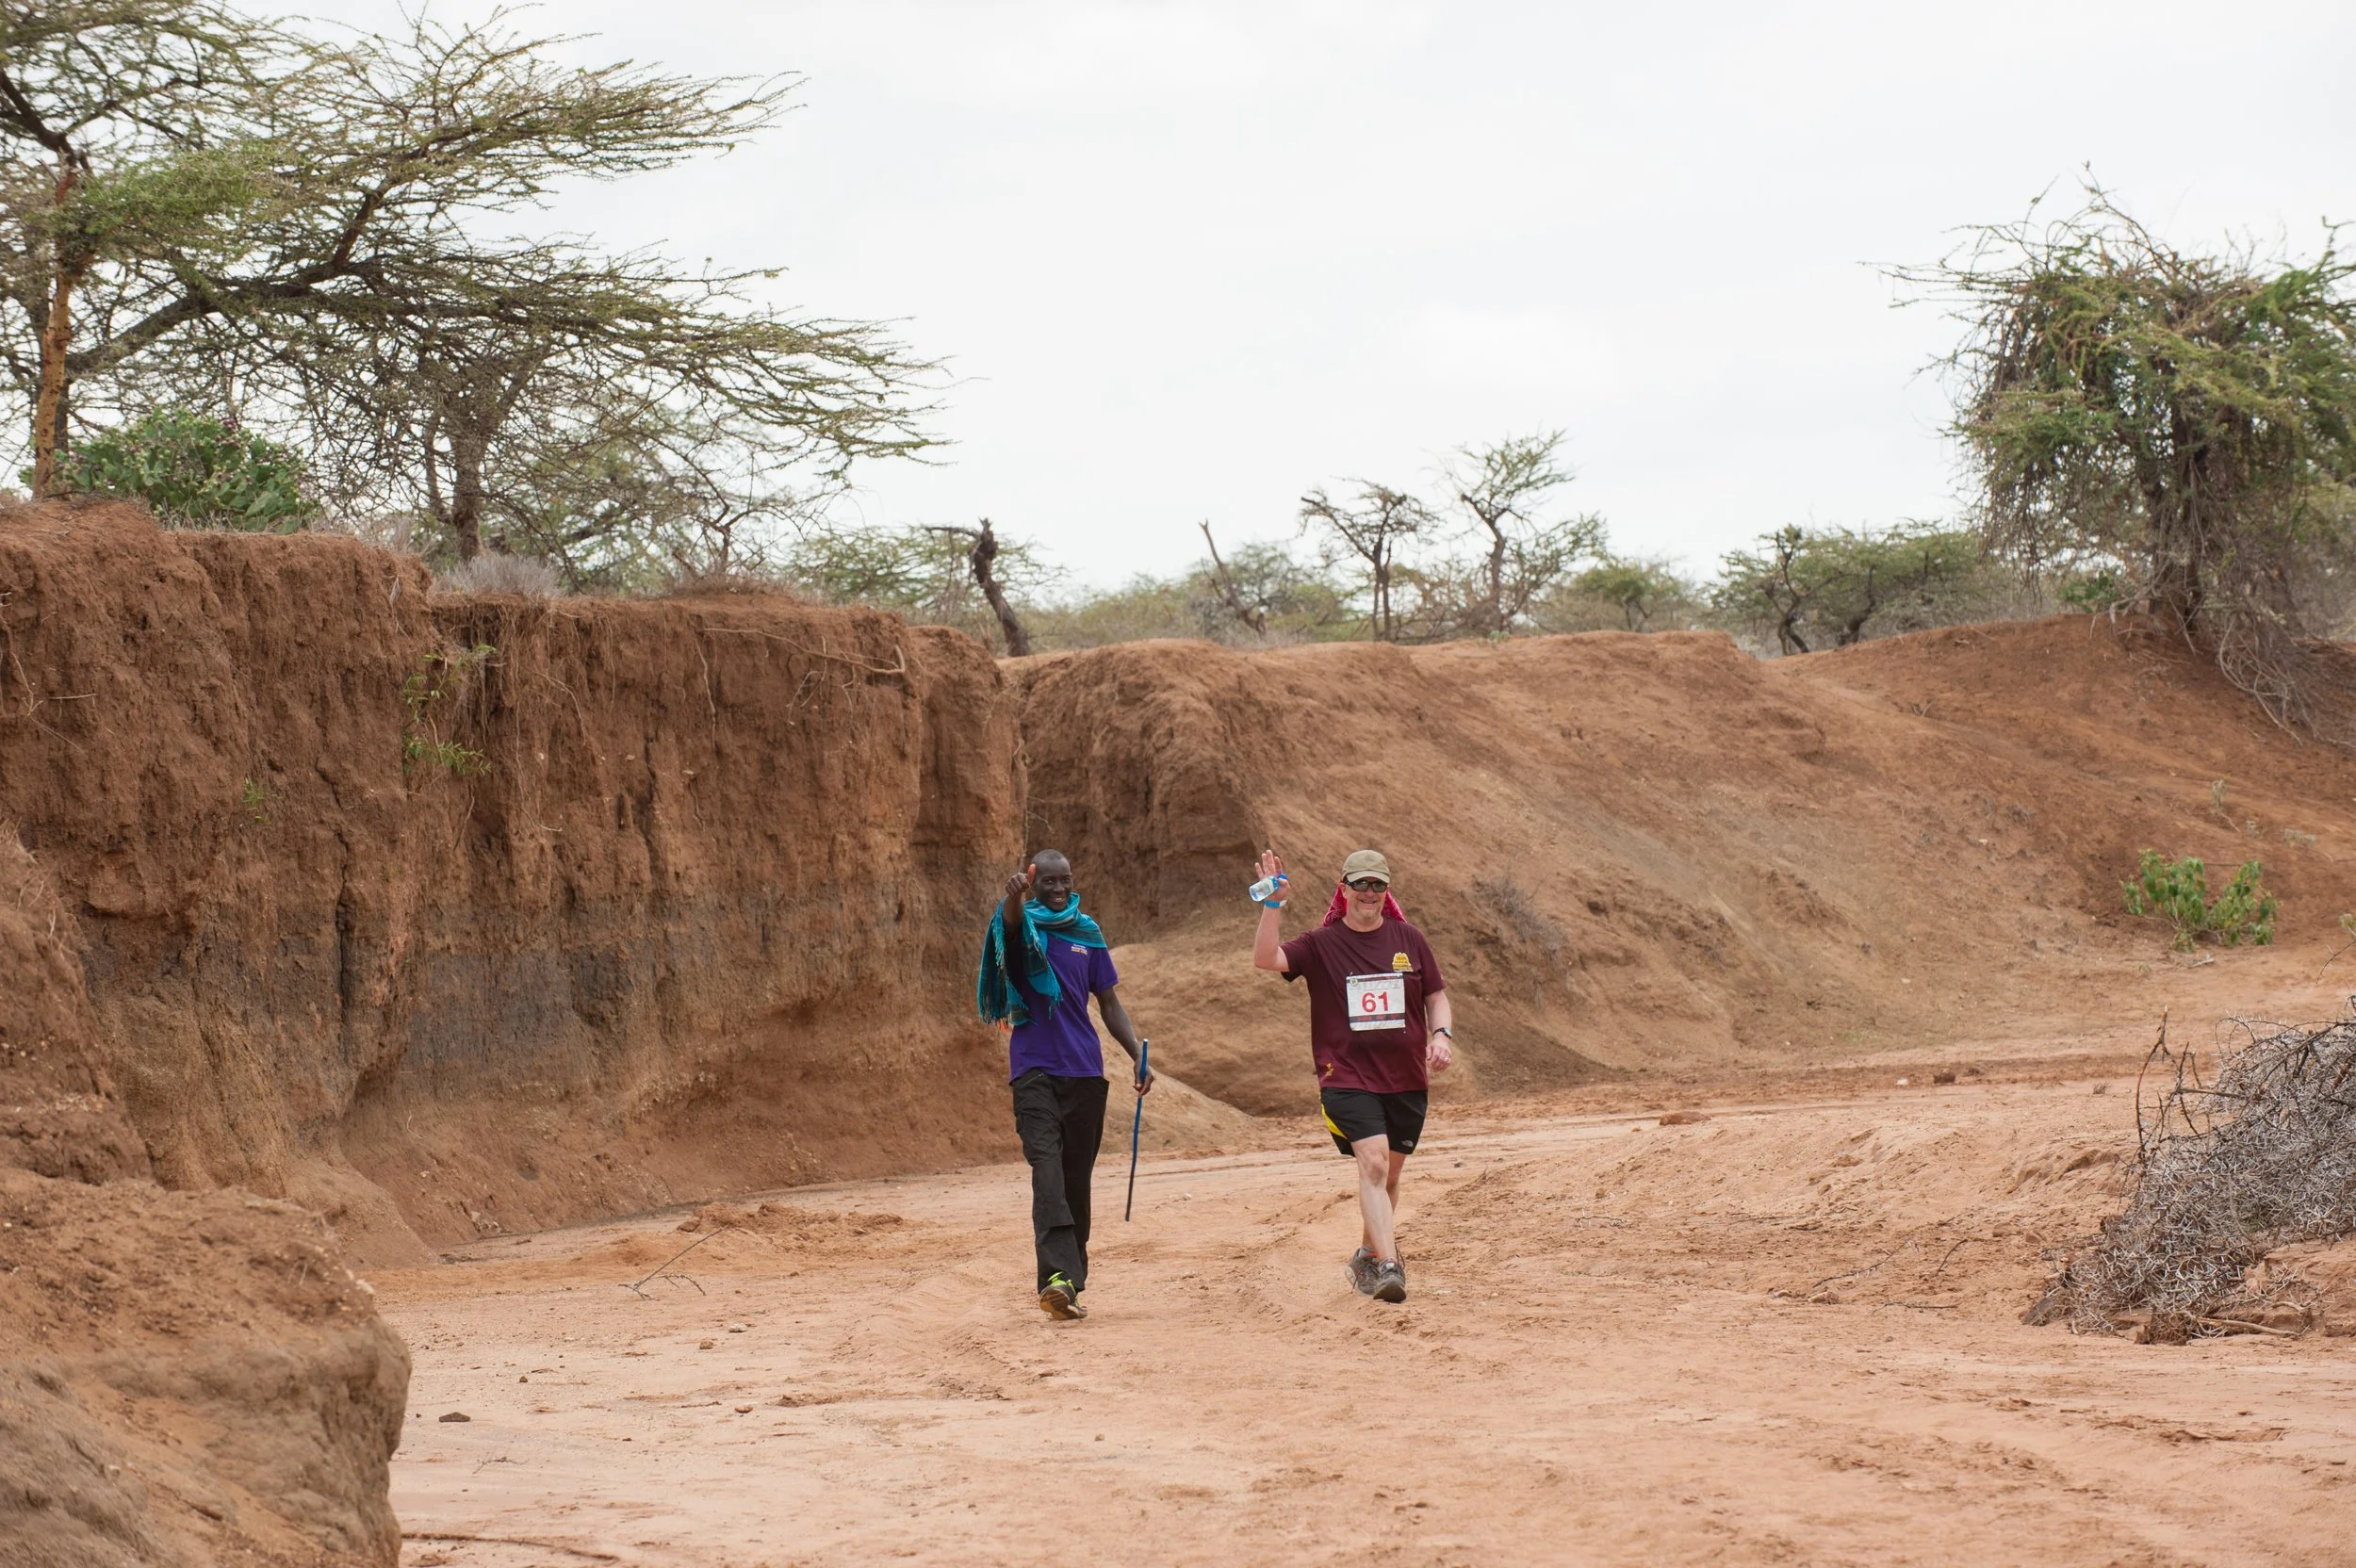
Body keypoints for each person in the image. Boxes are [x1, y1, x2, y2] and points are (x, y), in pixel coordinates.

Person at [1250, 846, 1451, 1304]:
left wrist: (1441, 1035)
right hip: (1345, 1076)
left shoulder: (1409, 939)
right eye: (1360, 883)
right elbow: (1266, 958)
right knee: (1374, 1164)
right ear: (1343, 889)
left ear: (1387, 891)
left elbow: (1436, 995)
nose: (1369, 892)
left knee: (1389, 1176)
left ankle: (1367, 1254)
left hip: (1406, 1080)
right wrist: (1273, 905)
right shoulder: (1320, 944)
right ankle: (1389, 1265)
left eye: (1378, 884)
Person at [978, 849, 1152, 1321]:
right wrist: (1012, 898)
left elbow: (1109, 1003)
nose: (1057, 890)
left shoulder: (1087, 933)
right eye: (1047, 882)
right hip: (1033, 1071)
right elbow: (1009, 925)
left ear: (1073, 882)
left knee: (1076, 1181)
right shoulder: (1022, 926)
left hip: (1085, 1073)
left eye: (1065, 881)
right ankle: (1056, 1276)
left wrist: (1136, 1055)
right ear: (1034, 885)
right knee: (1047, 1171)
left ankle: (1069, 1284)